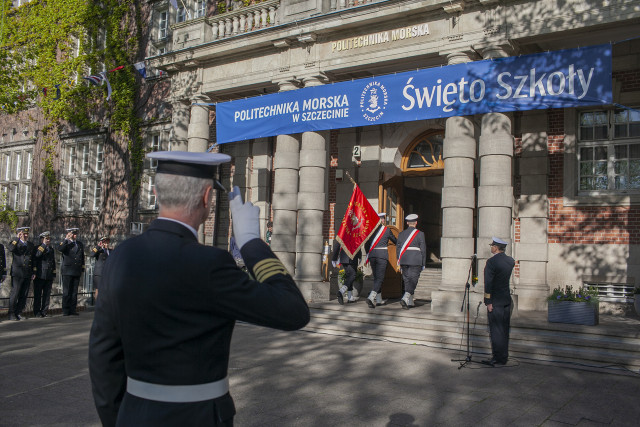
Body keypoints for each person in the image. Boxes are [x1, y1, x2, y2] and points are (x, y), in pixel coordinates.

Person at [89, 150, 310, 427]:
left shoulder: (121, 255)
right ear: (207, 198)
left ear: (156, 193)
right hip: (199, 417)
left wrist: (118, 419)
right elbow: (293, 311)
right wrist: (252, 243)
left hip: (134, 415)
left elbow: (103, 354)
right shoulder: (210, 263)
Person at [482, 237, 515, 367]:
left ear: (496, 247)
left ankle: (497, 357)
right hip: (506, 298)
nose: (491, 247)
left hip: (495, 300)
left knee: (495, 330)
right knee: (504, 329)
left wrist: (488, 301)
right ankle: (504, 356)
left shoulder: (491, 262)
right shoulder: (510, 261)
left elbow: (488, 283)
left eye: (492, 245)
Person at [364, 213, 397, 308]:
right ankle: (371, 297)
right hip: (382, 256)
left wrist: (368, 254)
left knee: (376, 278)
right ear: (382, 220)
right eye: (383, 219)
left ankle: (379, 300)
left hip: (372, 255)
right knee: (380, 278)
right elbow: (395, 240)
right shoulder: (386, 230)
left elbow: (366, 244)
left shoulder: (371, 230)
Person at [395, 214, 426, 309]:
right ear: (416, 223)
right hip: (415, 259)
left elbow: (398, 248)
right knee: (413, 280)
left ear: (407, 223)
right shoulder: (420, 234)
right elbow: (423, 249)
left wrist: (398, 260)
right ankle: (406, 297)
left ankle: (410, 302)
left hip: (404, 259)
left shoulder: (401, 234)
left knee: (407, 280)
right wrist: (423, 262)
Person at [8, 226, 35, 321]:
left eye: (27, 234)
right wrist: (16, 238)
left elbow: (32, 260)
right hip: (17, 272)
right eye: (24, 234)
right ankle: (11, 313)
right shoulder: (15, 243)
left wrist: (33, 271)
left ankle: (19, 312)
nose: (26, 235)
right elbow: (10, 248)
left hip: (27, 272)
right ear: (20, 234)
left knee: (24, 294)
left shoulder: (30, 245)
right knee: (15, 293)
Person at [58, 227, 85, 316]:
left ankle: (72, 309)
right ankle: (65, 310)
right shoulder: (66, 243)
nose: (75, 235)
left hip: (76, 270)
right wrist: (66, 239)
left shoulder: (79, 244)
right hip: (67, 270)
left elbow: (82, 257)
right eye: (73, 234)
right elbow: (60, 249)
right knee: (67, 291)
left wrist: (82, 268)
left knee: (74, 291)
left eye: (75, 234)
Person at [33, 231, 56, 318]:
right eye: (46, 238)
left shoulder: (51, 249)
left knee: (46, 295)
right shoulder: (38, 248)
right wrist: (43, 245)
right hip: (40, 275)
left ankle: (44, 311)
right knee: (38, 294)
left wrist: (53, 273)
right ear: (42, 239)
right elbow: (37, 255)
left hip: (48, 275)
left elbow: (53, 262)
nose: (48, 240)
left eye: (49, 238)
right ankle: (37, 312)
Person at [91, 236, 111, 301]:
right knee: (98, 290)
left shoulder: (110, 251)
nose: (106, 244)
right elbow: (92, 254)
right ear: (102, 243)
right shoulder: (99, 250)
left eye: (107, 243)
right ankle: (97, 306)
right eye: (105, 243)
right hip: (99, 273)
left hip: (107, 273)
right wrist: (98, 246)